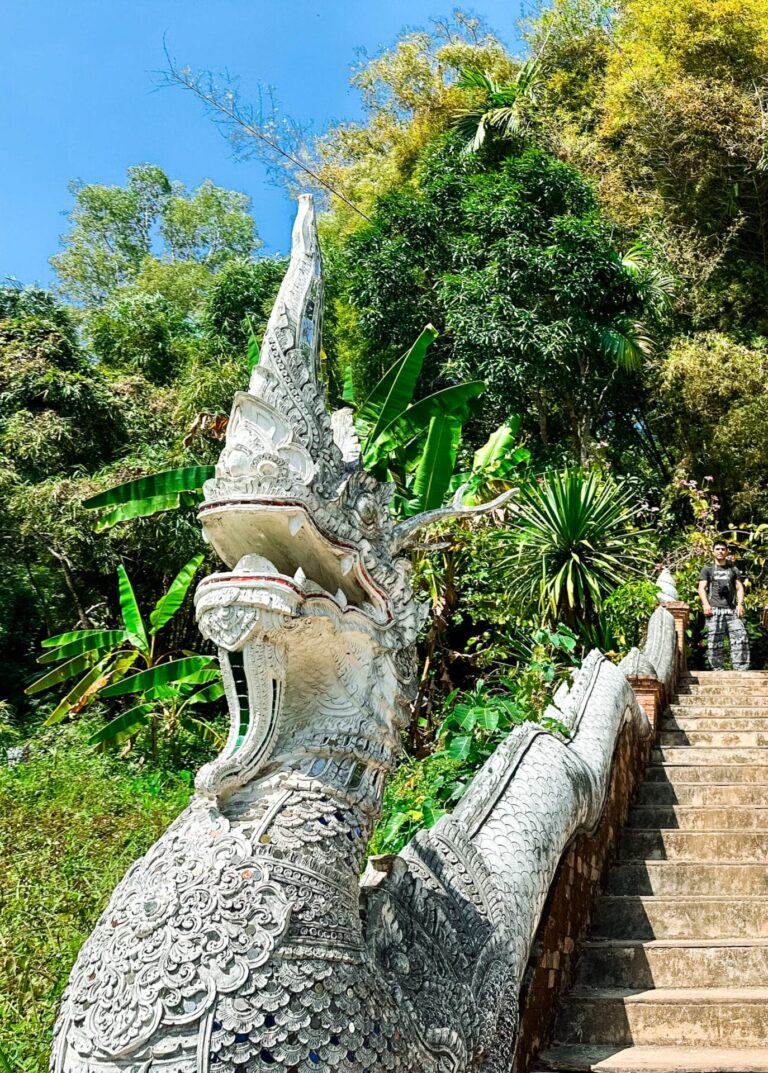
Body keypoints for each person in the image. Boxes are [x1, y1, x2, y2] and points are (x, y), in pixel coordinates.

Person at [698, 540, 750, 671]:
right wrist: (705, 605)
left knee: (741, 636)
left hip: (731, 610)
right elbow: (701, 588)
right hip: (714, 609)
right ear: (713, 551)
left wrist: (740, 604)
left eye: (723, 549)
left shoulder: (733, 569)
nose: (720, 551)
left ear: (727, 551)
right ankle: (717, 669)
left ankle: (741, 668)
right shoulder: (707, 569)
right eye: (717, 549)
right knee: (714, 640)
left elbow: (739, 588)